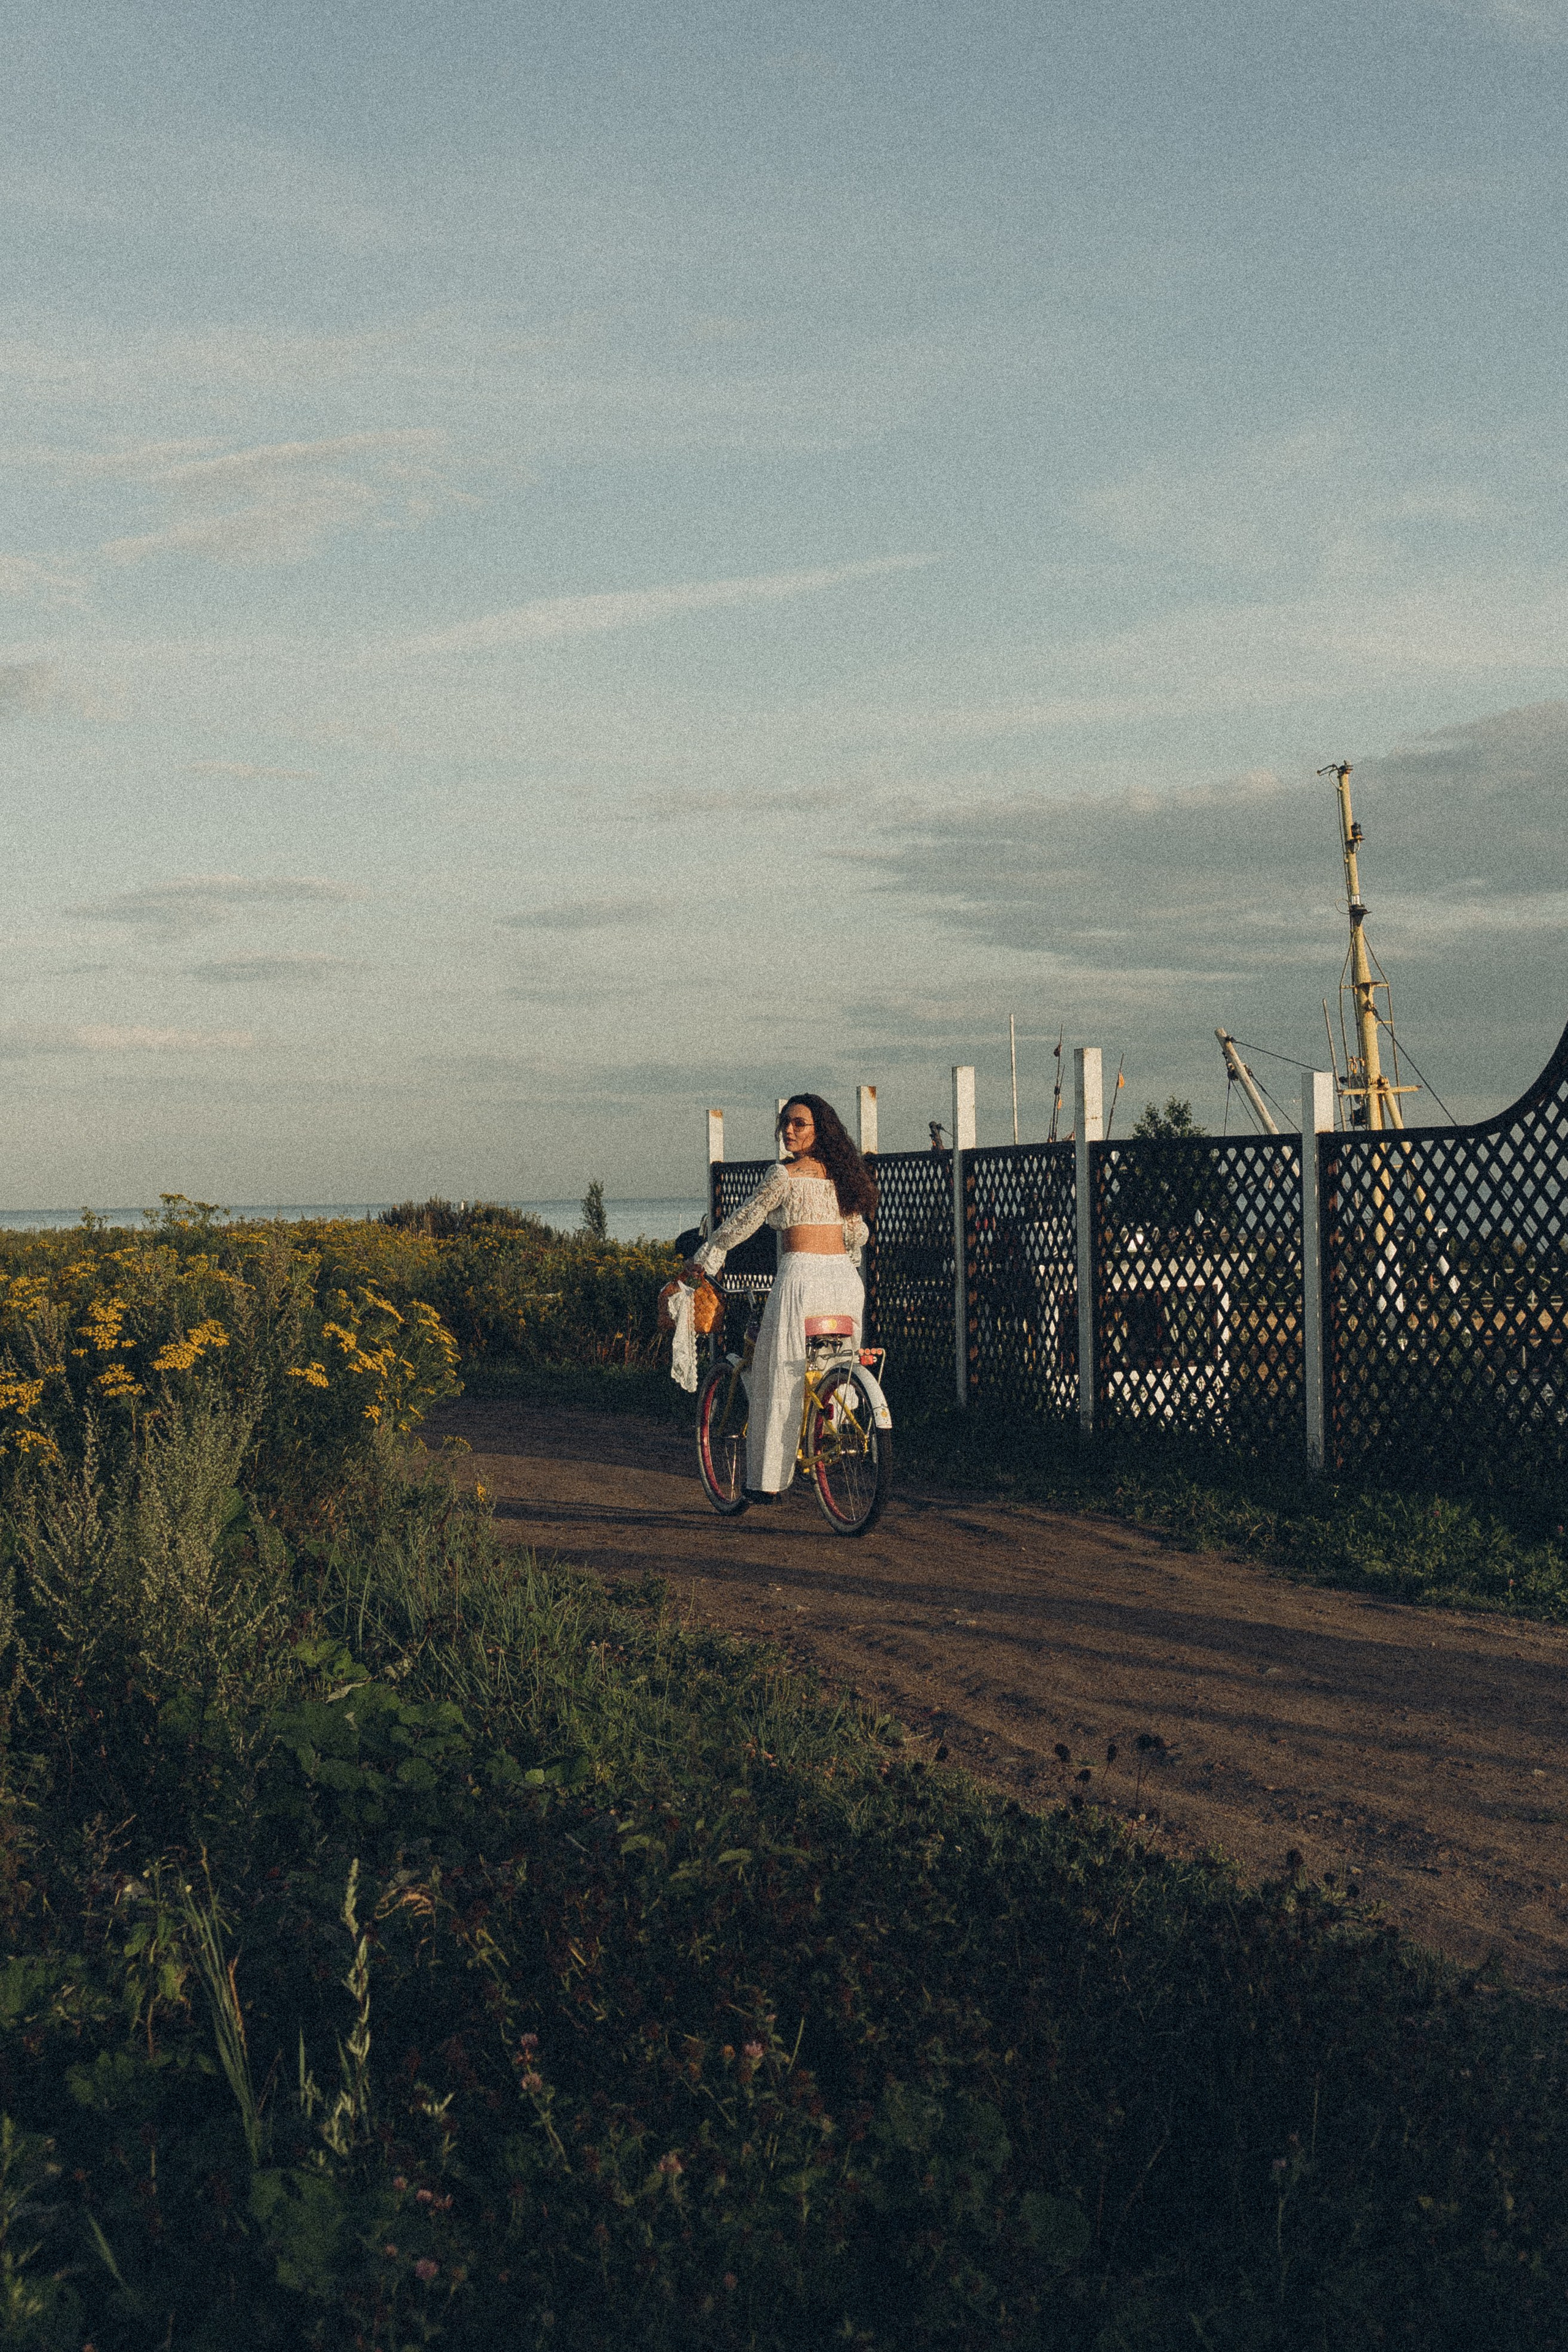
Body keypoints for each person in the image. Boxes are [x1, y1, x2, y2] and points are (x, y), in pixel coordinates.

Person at [685, 1093, 876, 1503]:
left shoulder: (784, 1175)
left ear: (818, 1129)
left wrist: (708, 1255)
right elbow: (857, 1236)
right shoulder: (844, 1177)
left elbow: (746, 1219)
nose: (788, 1130)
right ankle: (830, 1436)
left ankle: (767, 1482)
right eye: (785, 1123)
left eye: (799, 1123)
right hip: (845, 1280)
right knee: (834, 1363)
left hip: (802, 1279)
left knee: (777, 1373)